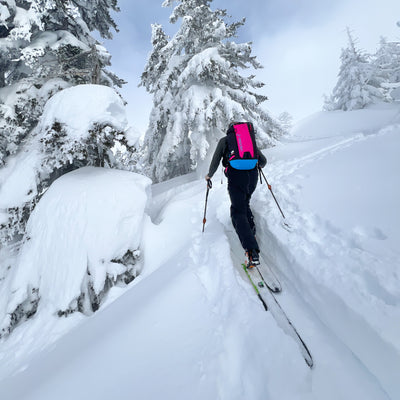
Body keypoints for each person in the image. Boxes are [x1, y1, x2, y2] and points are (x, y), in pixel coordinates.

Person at [205, 122, 267, 268]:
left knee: (237, 211)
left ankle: (251, 251)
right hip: (252, 177)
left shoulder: (225, 140)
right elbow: (263, 161)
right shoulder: (249, 141)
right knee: (245, 204)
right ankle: (250, 233)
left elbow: (215, 161)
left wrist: (209, 175)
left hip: (236, 176)